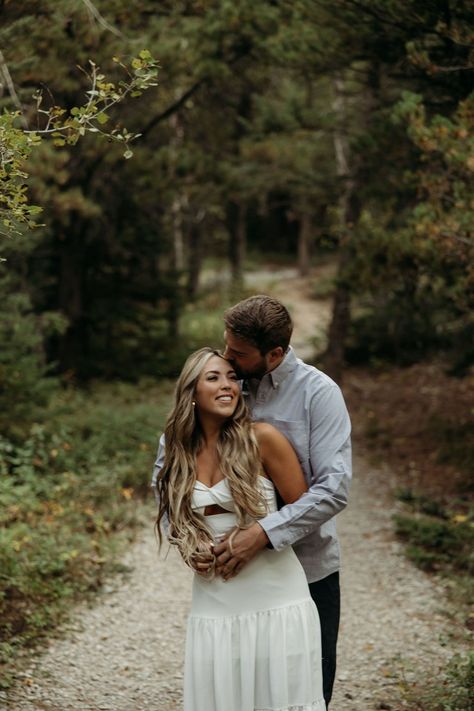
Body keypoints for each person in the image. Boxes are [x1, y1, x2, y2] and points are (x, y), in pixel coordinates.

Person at [155, 347, 326, 711]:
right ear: (191, 391)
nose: (228, 385)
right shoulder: (176, 451)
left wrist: (261, 533)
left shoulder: (262, 438)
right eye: (213, 377)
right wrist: (190, 548)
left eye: (233, 377)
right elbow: (170, 512)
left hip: (277, 599)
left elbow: (304, 511)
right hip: (213, 602)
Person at [211, 295, 352, 707]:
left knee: (305, 691)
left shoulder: (318, 394)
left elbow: (335, 488)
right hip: (233, 579)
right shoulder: (218, 380)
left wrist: (262, 533)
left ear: (275, 353)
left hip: (308, 572)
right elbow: (172, 461)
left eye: (238, 353)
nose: (227, 359)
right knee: (241, 690)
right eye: (225, 347)